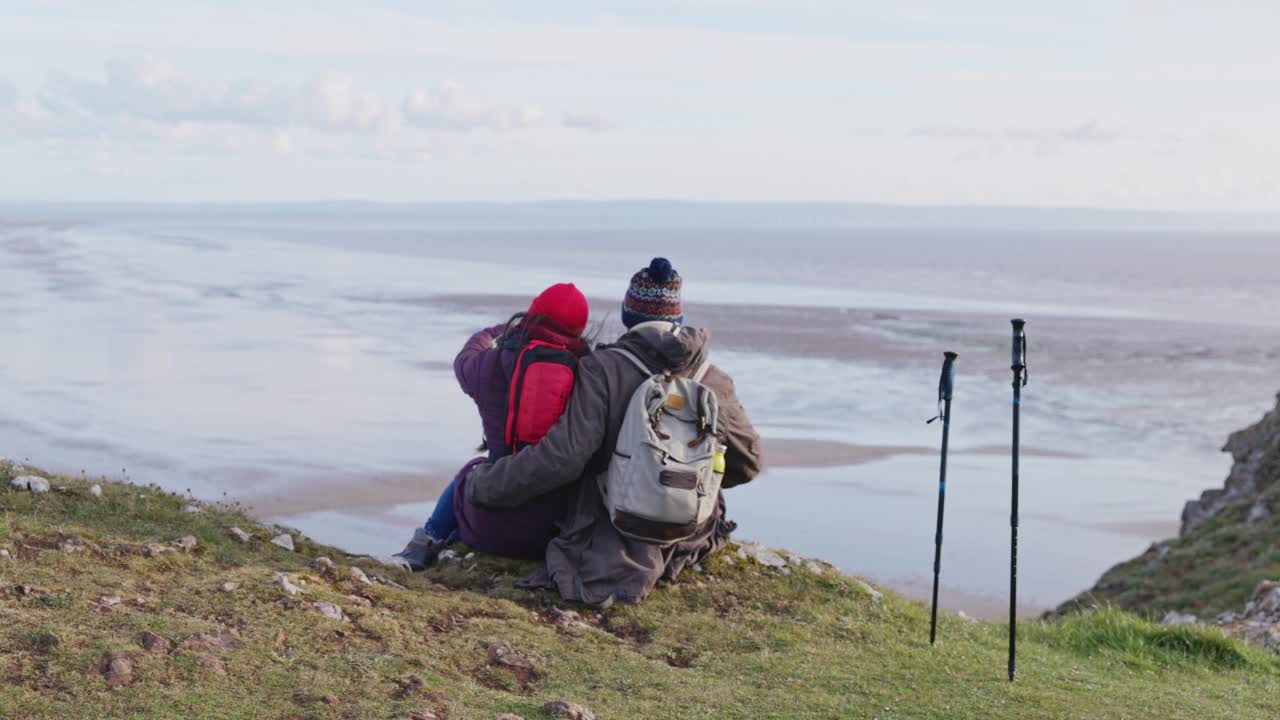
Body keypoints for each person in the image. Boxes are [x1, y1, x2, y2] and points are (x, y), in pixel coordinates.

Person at [464, 257, 763, 607]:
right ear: (677, 317)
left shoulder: (602, 370)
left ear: (627, 314)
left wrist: (485, 484)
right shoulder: (713, 379)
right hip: (687, 534)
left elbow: (563, 459)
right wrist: (683, 478)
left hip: (612, 534)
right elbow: (749, 463)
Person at [389, 282, 592, 570]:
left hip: (488, 521)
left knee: (470, 472)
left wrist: (500, 331)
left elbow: (464, 360)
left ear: (532, 315)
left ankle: (426, 543)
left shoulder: (492, 364)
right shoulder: (586, 374)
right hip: (554, 530)